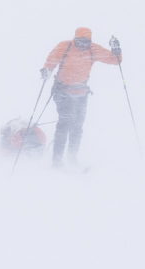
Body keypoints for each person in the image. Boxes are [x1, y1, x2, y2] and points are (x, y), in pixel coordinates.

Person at [39, 27, 121, 168]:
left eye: (86, 42)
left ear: (90, 41)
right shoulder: (64, 46)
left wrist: (117, 51)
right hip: (62, 91)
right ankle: (57, 161)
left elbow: (115, 61)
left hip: (81, 93)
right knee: (64, 123)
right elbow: (51, 60)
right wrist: (47, 69)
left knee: (77, 127)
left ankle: (72, 158)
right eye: (80, 41)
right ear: (74, 39)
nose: (82, 45)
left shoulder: (93, 49)